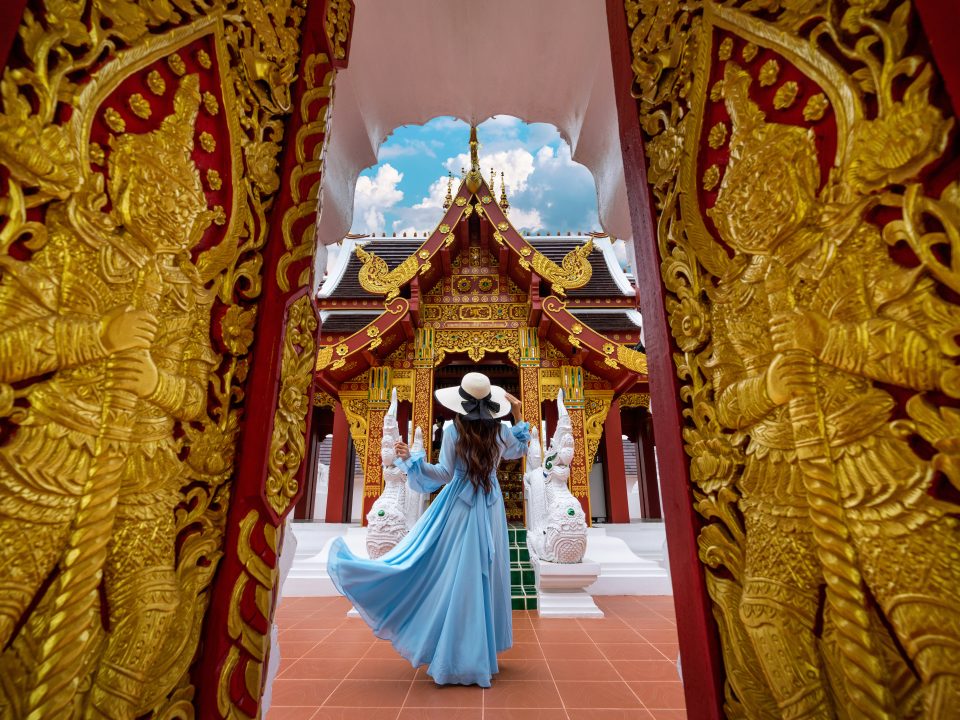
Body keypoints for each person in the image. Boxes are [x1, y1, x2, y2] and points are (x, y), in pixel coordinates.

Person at [327, 372, 531, 687]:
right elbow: (520, 450)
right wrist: (518, 413)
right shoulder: (502, 431)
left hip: (457, 508)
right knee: (482, 576)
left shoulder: (453, 430)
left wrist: (413, 462)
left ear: (461, 403)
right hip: (490, 508)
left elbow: (444, 474)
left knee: (449, 575)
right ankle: (475, 656)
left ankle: (456, 654)